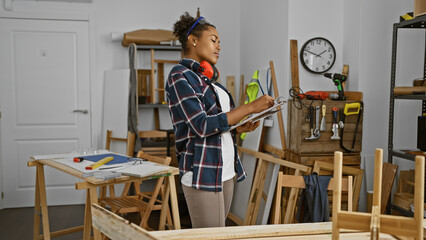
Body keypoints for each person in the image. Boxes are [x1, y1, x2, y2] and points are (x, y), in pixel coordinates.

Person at [165, 12, 275, 228]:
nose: (219, 47)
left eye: (219, 43)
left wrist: (237, 126)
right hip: (202, 170)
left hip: (225, 168)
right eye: (213, 40)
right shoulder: (179, 76)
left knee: (220, 233)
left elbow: (219, 121)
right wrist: (250, 107)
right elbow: (202, 124)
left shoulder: (209, 81)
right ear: (193, 40)